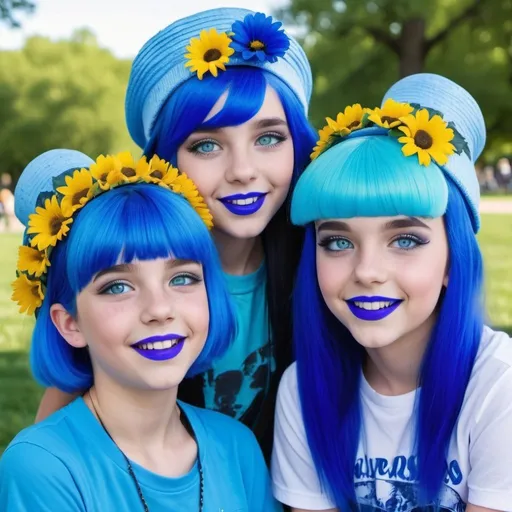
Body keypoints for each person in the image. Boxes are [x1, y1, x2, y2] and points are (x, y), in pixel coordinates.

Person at [34, 7, 317, 461]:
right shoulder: (130, 284)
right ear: (166, 161)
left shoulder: (325, 265)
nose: (244, 171)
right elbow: (48, 446)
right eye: (206, 145)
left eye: (268, 138)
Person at [271, 74, 512, 511]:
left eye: (405, 240)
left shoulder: (500, 386)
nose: (367, 272)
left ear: (452, 260)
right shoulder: (303, 389)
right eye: (338, 242)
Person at [1, 149, 280, 511]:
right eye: (117, 286)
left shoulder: (237, 447)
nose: (159, 310)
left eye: (182, 278)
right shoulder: (42, 468)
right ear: (69, 323)